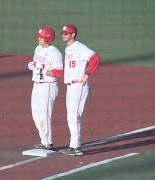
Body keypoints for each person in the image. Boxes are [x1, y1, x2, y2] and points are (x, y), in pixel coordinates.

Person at [59, 24, 100, 155]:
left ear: (73, 35)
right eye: (63, 33)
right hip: (70, 87)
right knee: (72, 116)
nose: (63, 35)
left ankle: (76, 147)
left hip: (78, 86)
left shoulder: (79, 47)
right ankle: (73, 145)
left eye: (66, 33)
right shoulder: (68, 48)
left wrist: (87, 74)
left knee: (73, 116)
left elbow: (95, 58)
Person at [27, 26, 64, 150]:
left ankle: (47, 143)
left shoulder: (55, 53)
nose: (38, 38)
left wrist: (41, 70)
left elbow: (58, 73)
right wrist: (33, 65)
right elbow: (38, 64)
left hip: (47, 86)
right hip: (36, 85)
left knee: (44, 114)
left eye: (41, 37)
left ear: (48, 39)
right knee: (36, 115)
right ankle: (44, 140)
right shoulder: (38, 49)